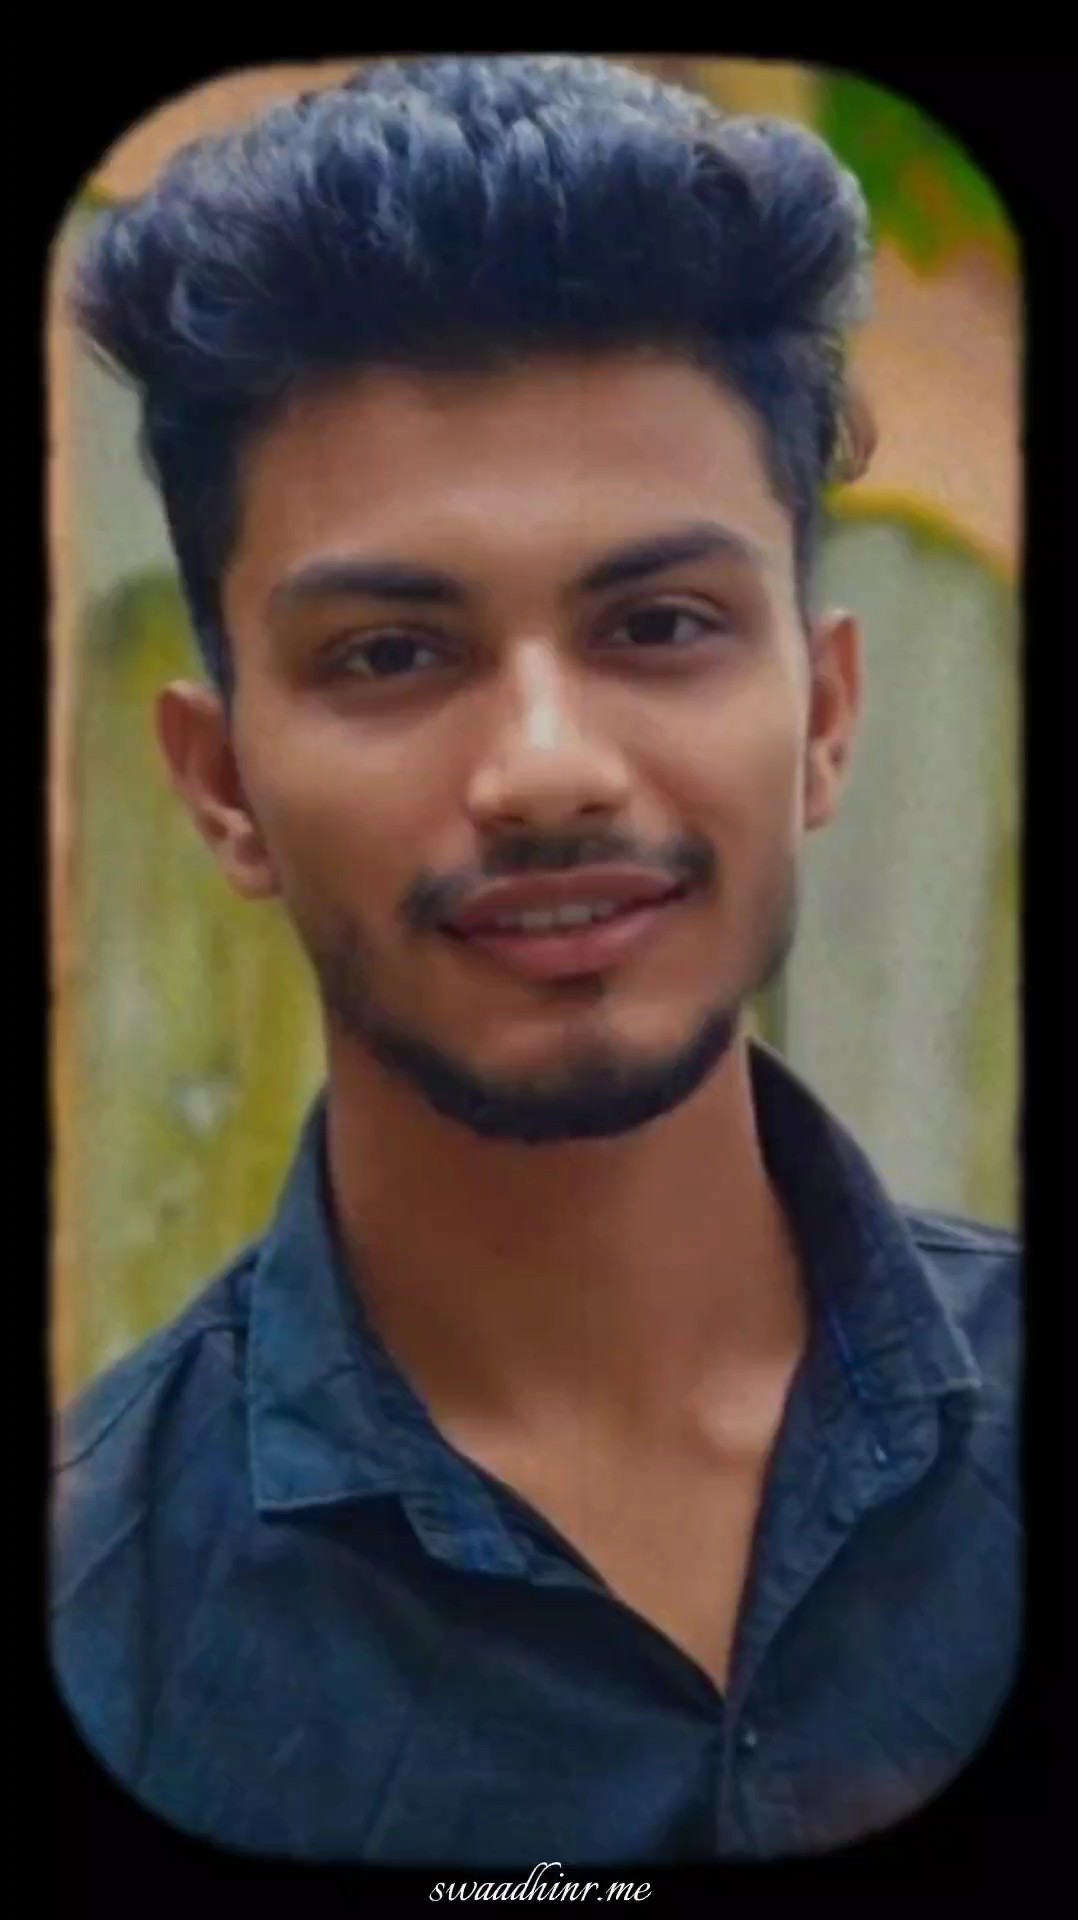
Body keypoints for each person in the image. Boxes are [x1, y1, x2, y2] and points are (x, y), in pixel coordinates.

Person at [51, 54, 1021, 1864]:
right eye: (390, 654)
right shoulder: (104, 1630)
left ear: (822, 717)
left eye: (657, 623)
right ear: (222, 784)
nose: (547, 770)